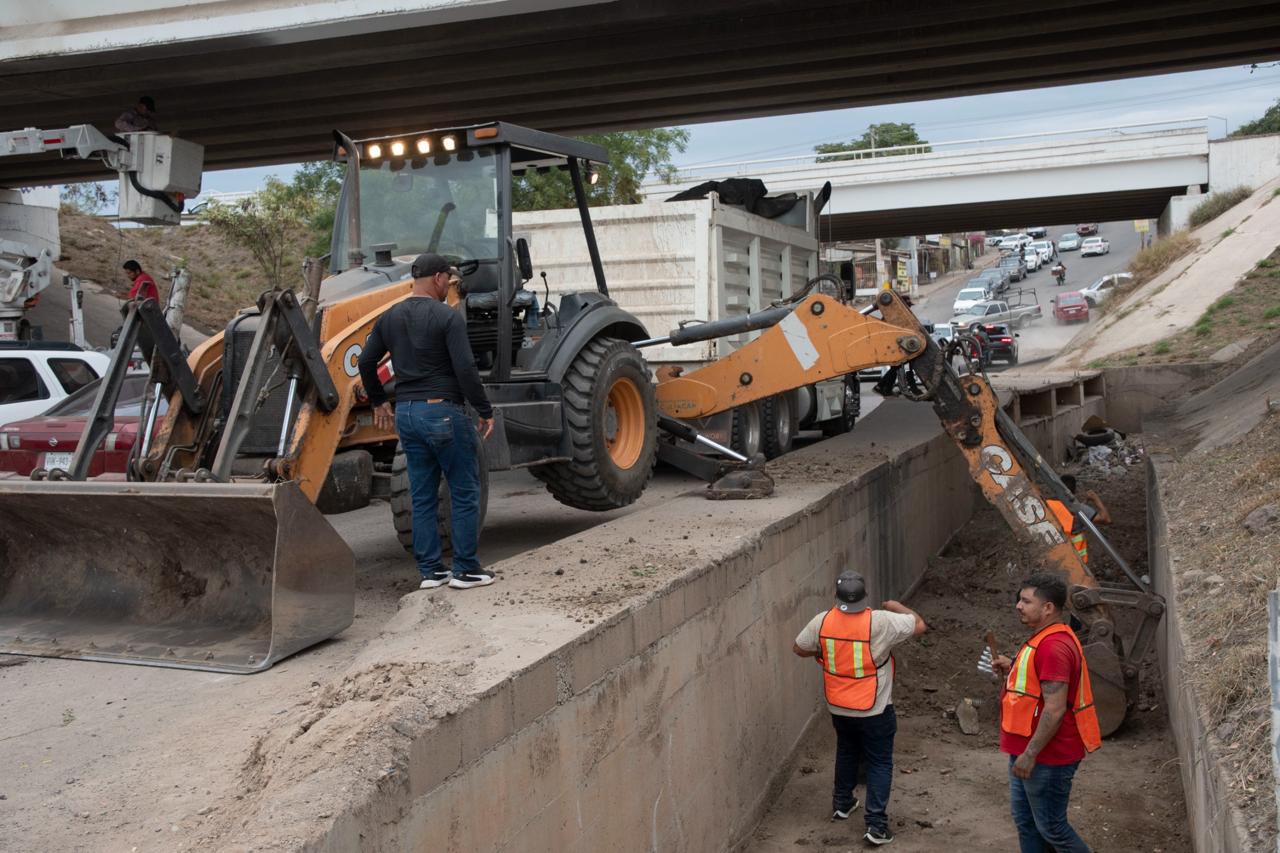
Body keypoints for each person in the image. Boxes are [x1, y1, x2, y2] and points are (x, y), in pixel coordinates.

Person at [358, 252, 495, 591]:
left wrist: (379, 402)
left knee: (421, 496)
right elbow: (465, 369)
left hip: (406, 413)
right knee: (464, 491)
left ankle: (431, 572)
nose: (450, 287)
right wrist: (484, 409)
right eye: (449, 282)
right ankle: (465, 570)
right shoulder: (447, 318)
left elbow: (365, 362)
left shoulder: (390, 317)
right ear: (437, 279)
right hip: (442, 412)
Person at [793, 570, 927, 846]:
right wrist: (895, 606)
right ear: (864, 596)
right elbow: (919, 625)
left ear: (836, 596)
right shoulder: (881, 621)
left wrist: (823, 652)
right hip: (874, 708)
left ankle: (842, 803)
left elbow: (799, 648)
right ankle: (876, 826)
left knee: (846, 749)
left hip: (839, 706)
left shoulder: (823, 620)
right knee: (879, 762)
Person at [992, 573, 1101, 853]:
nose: (1018, 605)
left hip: (1045, 757)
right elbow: (1036, 681)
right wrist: (1012, 665)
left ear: (1048, 608)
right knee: (1027, 822)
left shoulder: (1054, 646)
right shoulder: (1045, 638)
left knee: (1052, 827)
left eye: (1026, 601)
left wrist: (1030, 754)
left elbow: (1054, 708)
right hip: (1028, 750)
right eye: (1019, 599)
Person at [1045, 474, 1111, 565]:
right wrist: (1096, 499)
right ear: (1074, 490)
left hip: (1053, 559)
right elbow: (1106, 519)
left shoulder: (1046, 504)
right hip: (1076, 563)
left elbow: (1064, 514)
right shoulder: (1080, 509)